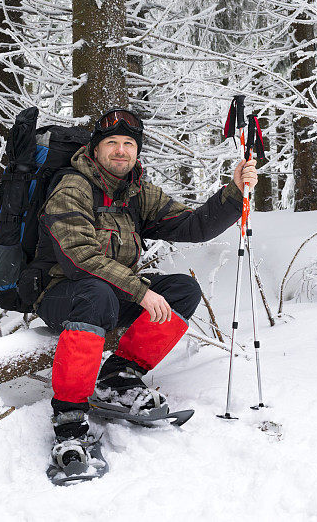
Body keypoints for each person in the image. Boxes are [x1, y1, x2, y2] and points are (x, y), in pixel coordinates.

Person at [33, 107, 257, 480]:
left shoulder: (137, 192)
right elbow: (79, 258)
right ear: (96, 149)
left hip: (110, 291)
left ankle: (118, 378)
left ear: (137, 152)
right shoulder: (72, 186)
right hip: (62, 292)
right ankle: (69, 417)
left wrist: (233, 192)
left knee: (182, 290)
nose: (120, 151)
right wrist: (139, 291)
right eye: (112, 144)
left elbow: (192, 225)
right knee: (97, 293)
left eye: (128, 144)